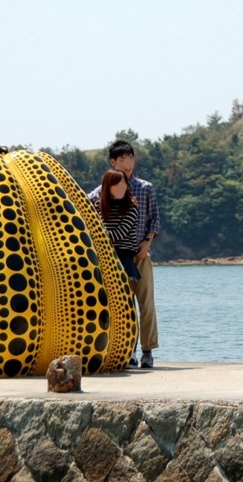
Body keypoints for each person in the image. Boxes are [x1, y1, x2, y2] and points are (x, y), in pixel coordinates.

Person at [88, 140, 161, 369]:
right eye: (123, 160)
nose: (128, 165)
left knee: (146, 304)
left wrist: (147, 243)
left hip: (140, 255)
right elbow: (85, 211)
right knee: (122, 306)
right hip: (113, 260)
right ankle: (128, 351)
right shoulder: (100, 193)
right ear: (113, 162)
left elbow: (155, 221)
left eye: (131, 159)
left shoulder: (145, 188)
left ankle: (147, 352)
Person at [97, 169, 142, 283]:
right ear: (108, 186)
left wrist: (97, 235)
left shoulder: (131, 207)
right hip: (103, 251)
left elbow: (120, 233)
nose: (120, 187)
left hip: (123, 252)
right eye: (115, 184)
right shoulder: (99, 206)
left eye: (123, 183)